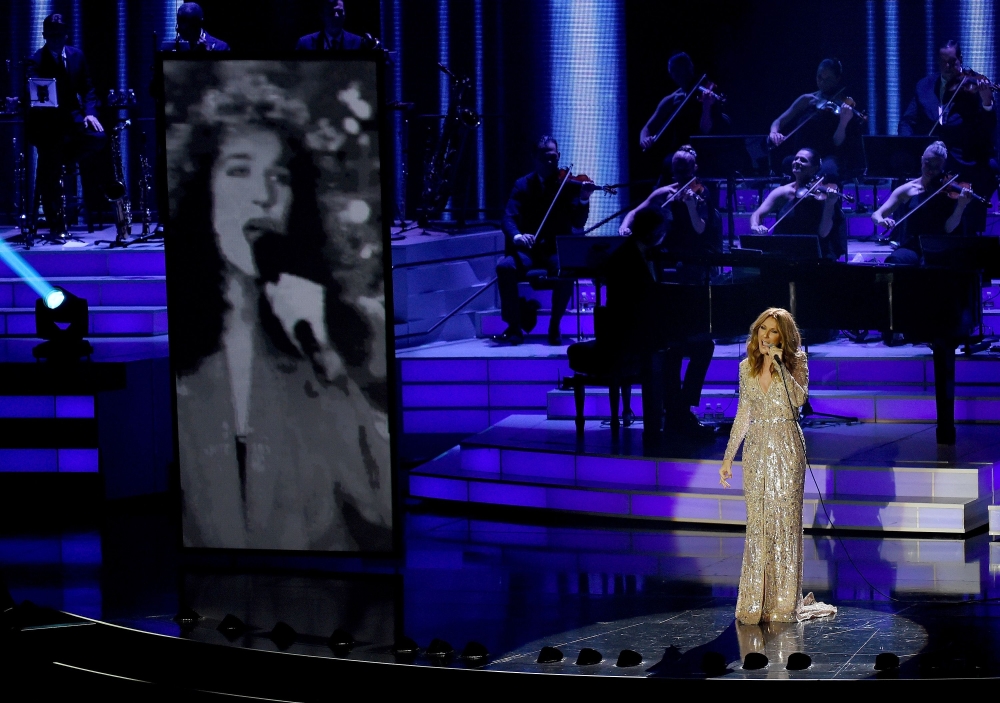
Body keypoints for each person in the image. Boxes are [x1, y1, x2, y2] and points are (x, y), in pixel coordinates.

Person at [164, 62, 391, 551]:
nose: (263, 196)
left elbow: (383, 503)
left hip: (327, 608)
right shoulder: (177, 338)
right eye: (240, 170)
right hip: (208, 607)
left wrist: (327, 357)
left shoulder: (348, 327)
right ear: (205, 188)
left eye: (279, 177)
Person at [718, 308, 836, 624]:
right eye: (762, 330)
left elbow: (799, 400)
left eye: (773, 332)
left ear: (783, 337)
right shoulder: (745, 368)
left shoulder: (798, 362)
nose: (766, 337)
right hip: (756, 447)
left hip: (787, 444)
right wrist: (728, 457)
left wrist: (781, 366)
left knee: (785, 522)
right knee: (758, 523)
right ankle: (754, 601)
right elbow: (743, 414)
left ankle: (784, 603)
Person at [606, 207, 715, 442]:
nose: (664, 233)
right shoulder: (623, 258)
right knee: (677, 348)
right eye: (661, 229)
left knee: (701, 345)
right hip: (630, 331)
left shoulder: (651, 252)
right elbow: (628, 305)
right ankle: (678, 415)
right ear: (650, 231)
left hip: (649, 326)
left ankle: (680, 410)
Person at [494, 136, 594, 345]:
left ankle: (555, 325)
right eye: (546, 158)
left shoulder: (567, 185)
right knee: (505, 267)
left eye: (555, 157)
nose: (552, 162)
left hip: (555, 250)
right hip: (528, 251)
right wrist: (518, 236)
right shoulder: (522, 185)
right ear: (535, 158)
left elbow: (578, 221)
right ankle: (514, 327)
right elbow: (508, 217)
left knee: (566, 268)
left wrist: (584, 198)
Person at [899, 40, 997, 235]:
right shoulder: (924, 86)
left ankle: (971, 236)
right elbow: (907, 121)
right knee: (903, 171)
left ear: (960, 60)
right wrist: (910, 148)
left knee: (983, 173)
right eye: (943, 62)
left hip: (964, 158)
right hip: (933, 157)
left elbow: (990, 127)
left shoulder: (973, 87)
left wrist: (986, 101)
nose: (947, 67)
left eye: (952, 62)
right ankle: (910, 236)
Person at [25, 13, 107, 234]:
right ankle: (55, 222)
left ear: (66, 35)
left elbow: (88, 88)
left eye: (59, 35)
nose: (55, 39)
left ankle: (68, 159)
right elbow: (35, 97)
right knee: (49, 160)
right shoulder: (36, 61)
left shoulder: (77, 56)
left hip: (73, 121)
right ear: (44, 36)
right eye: (51, 35)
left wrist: (90, 113)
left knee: (98, 137)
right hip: (48, 124)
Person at [619, 144, 722, 283]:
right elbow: (634, 213)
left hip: (697, 252)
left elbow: (700, 228)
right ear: (673, 170)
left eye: (686, 171)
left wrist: (691, 206)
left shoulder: (702, 192)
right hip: (671, 251)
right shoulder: (666, 193)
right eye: (678, 172)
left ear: (694, 168)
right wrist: (624, 227)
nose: (682, 176)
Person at [871, 141, 971, 265]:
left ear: (943, 166)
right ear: (921, 160)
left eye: (937, 167)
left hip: (940, 247)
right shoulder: (908, 189)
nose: (931, 170)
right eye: (928, 164)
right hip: (912, 246)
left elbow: (949, 228)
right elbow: (876, 215)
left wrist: (961, 206)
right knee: (895, 260)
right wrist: (881, 220)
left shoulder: (948, 189)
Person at [767, 58, 864, 181]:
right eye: (819, 77)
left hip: (829, 156)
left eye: (827, 79)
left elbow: (837, 143)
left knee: (828, 171)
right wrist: (774, 132)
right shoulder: (807, 99)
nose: (822, 82)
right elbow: (778, 121)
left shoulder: (844, 106)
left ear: (837, 79)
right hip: (804, 156)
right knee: (787, 162)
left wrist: (843, 122)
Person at [639, 52, 729, 182]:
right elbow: (646, 128)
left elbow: (705, 130)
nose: (682, 74)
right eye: (676, 71)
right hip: (679, 151)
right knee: (668, 166)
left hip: (704, 152)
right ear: (671, 74)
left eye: (685, 69)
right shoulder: (673, 99)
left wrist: (706, 107)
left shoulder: (706, 93)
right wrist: (644, 140)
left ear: (691, 68)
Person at [749, 147, 845, 260]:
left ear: (815, 168)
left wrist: (830, 204)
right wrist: (755, 226)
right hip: (784, 251)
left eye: (803, 160)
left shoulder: (822, 194)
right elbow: (757, 214)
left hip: (815, 253)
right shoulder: (783, 191)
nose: (797, 162)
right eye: (796, 159)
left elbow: (823, 233)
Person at [296, 0, 364, 51]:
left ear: (345, 14)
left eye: (340, 12)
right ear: (322, 15)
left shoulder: (359, 42)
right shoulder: (304, 44)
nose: (336, 16)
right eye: (332, 13)